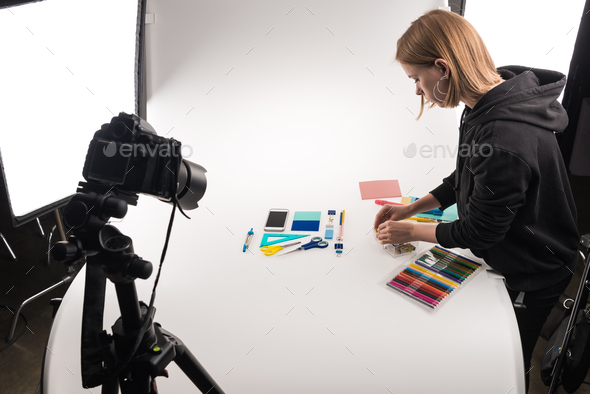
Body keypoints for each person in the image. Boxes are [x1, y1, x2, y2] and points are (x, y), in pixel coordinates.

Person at [373, 9, 579, 392]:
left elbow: (480, 232)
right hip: (522, 250)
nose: (417, 89)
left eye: (416, 78)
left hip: (534, 271)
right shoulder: (486, 102)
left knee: (507, 367)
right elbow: (463, 176)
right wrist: (413, 208)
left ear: (442, 67)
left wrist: (412, 231)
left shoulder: (504, 133)